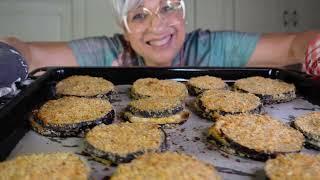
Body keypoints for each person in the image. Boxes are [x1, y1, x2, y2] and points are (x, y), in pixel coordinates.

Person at [1, 0, 320, 83]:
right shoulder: (109, 53)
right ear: (124, 28)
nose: (158, 24)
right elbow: (33, 54)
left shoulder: (212, 47)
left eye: (168, 7)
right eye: (139, 15)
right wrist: (9, 54)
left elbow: (293, 44)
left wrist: (313, 47)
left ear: (183, 13)